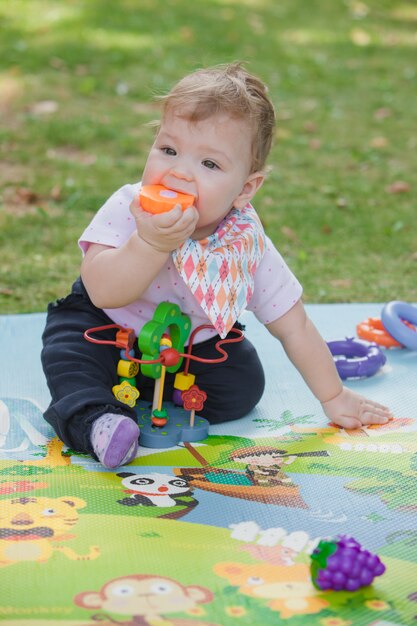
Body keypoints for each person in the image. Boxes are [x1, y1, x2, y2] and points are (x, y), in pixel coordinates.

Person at [41, 63, 391, 469]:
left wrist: (334, 396)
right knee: (69, 355)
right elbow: (103, 290)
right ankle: (98, 421)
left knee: (243, 381)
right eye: (168, 150)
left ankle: (156, 386)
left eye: (209, 165)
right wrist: (151, 243)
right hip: (107, 324)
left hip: (188, 343)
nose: (178, 173)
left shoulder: (243, 243)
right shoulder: (129, 208)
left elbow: (294, 326)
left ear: (245, 189)